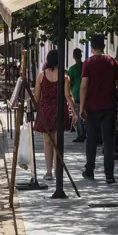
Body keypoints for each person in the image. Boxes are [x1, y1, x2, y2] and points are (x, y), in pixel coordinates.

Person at [79, 35, 118, 183]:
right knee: (108, 141)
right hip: (109, 107)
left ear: (92, 47)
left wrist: (82, 106)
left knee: (91, 140)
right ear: (103, 46)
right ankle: (109, 174)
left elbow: (84, 85)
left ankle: (90, 170)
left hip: (92, 107)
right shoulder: (113, 62)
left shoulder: (88, 63)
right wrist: (110, 91)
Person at [32, 50, 77, 181]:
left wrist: (32, 109)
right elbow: (68, 96)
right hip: (59, 110)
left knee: (47, 142)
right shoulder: (64, 76)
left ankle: (48, 172)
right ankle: (58, 171)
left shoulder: (41, 76)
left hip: (45, 111)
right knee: (58, 142)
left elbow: (36, 96)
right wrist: (74, 112)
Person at [67, 48, 86, 143]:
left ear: (74, 56)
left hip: (77, 94)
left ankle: (81, 135)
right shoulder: (86, 67)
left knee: (78, 115)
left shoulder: (72, 69)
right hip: (87, 94)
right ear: (81, 56)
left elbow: (70, 83)